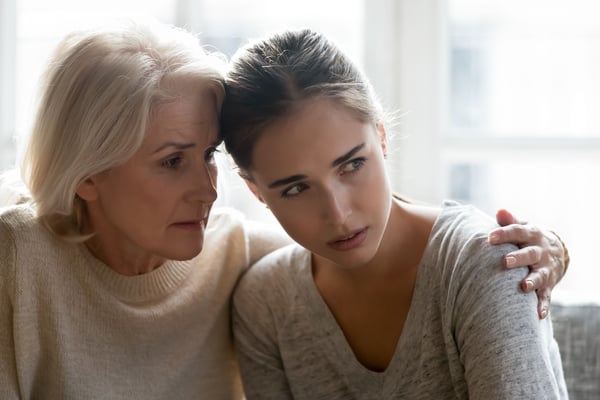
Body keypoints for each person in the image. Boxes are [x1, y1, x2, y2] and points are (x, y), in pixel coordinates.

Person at [0, 20, 566, 399]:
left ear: (383, 136)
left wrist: (549, 250)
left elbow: (420, 246)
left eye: (207, 156)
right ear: (87, 174)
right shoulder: (18, 262)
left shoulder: (236, 256)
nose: (206, 189)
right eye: (173, 161)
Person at [221, 28, 568, 398]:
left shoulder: (481, 265)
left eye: (352, 164)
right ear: (255, 191)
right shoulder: (264, 304)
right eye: (296, 188)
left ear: (382, 137)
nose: (338, 214)